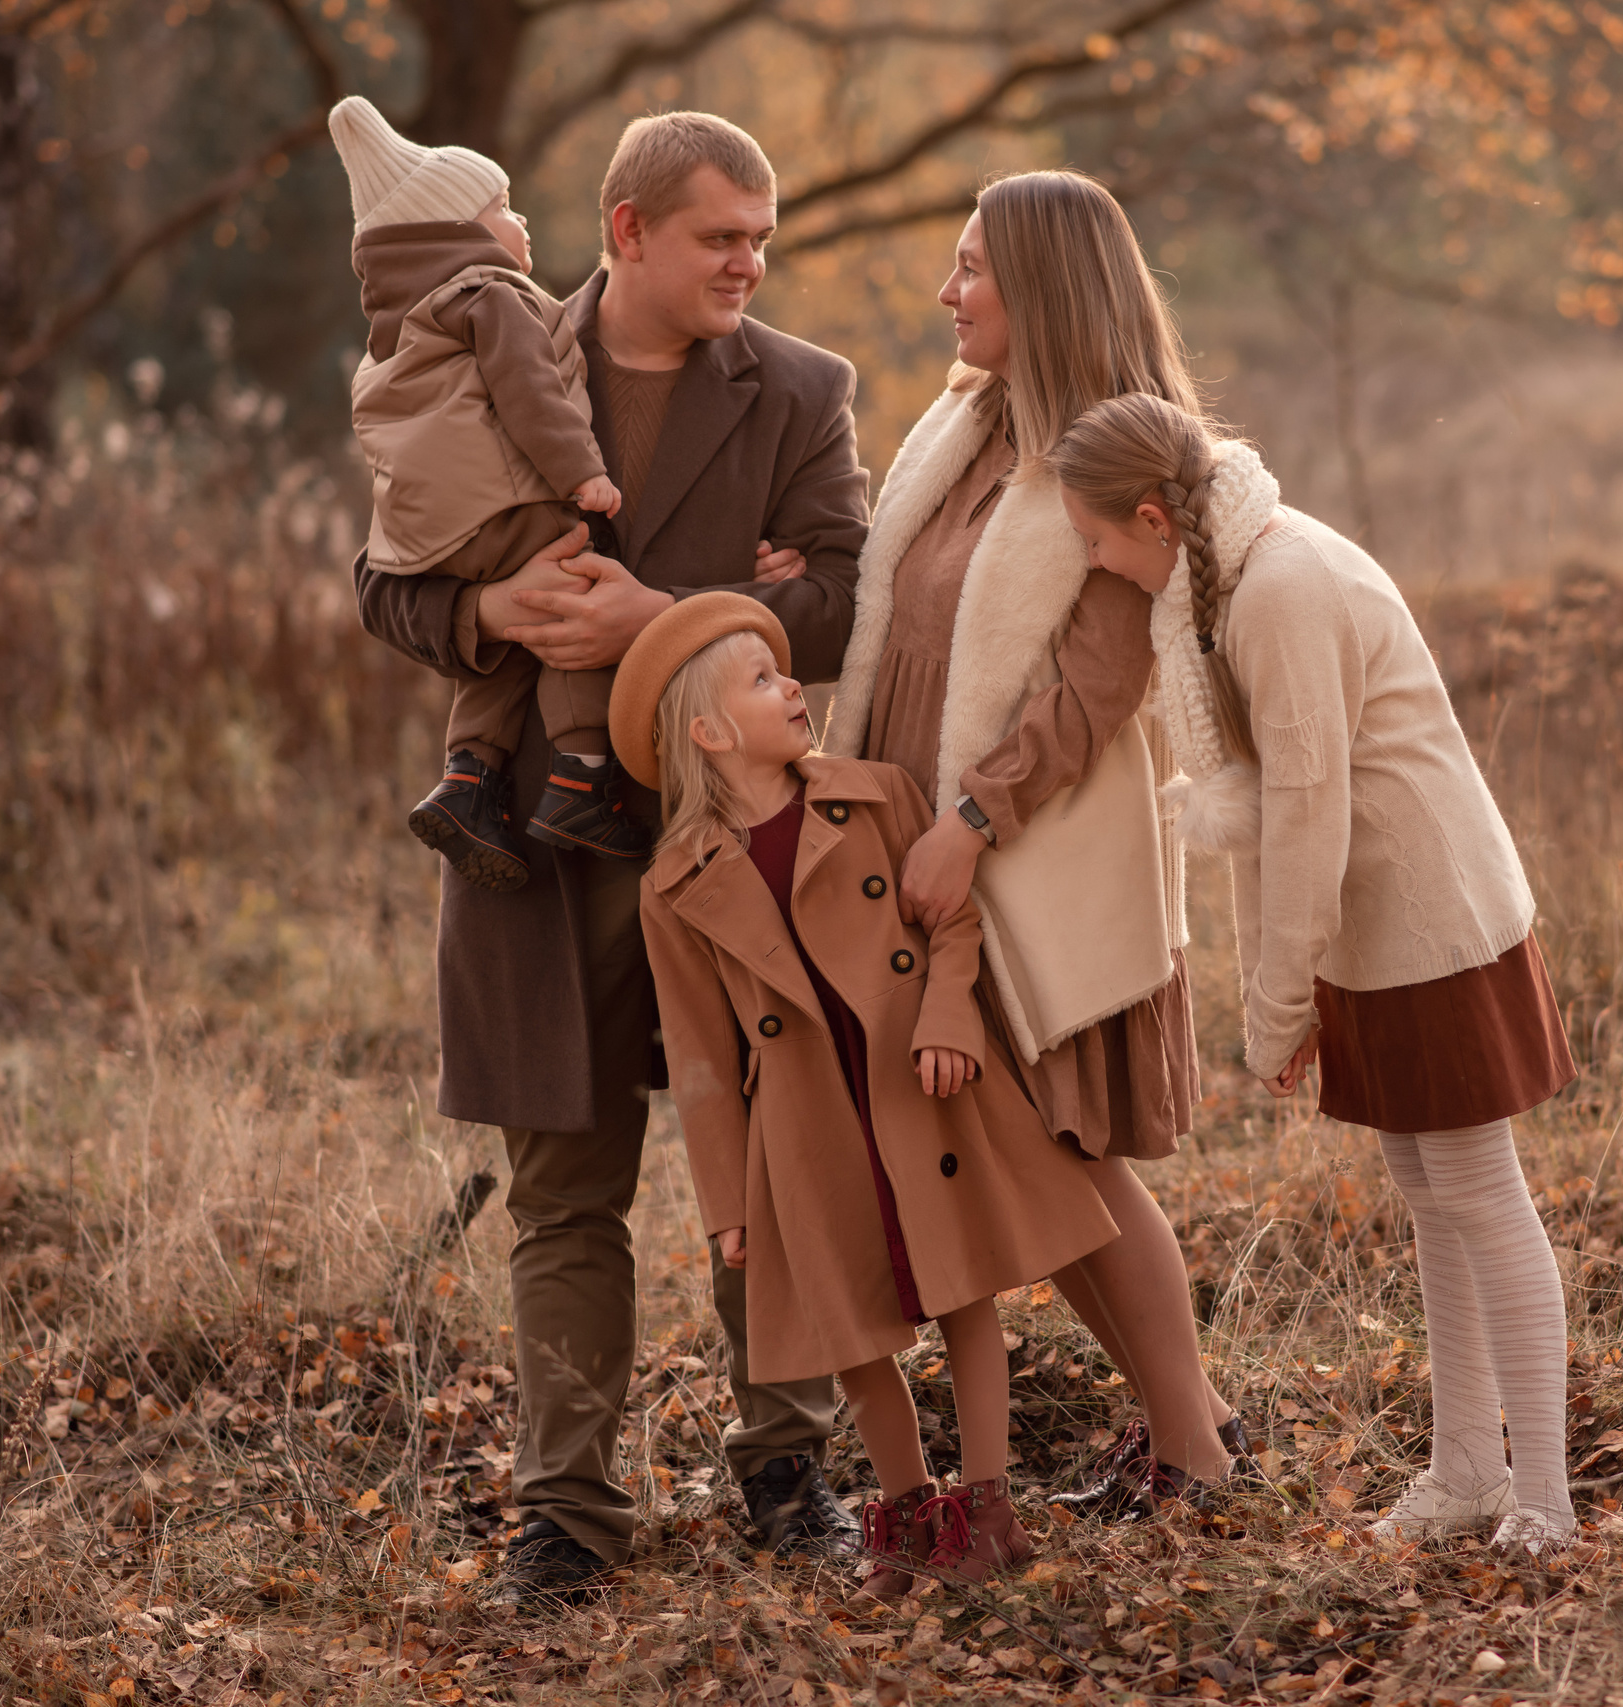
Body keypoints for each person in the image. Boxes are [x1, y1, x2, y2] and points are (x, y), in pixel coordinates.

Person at [351, 110, 871, 1607]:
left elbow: (842, 595)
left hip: (733, 850)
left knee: (768, 1162)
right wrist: (488, 618)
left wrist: (667, 614)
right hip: (529, 844)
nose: (751, 264)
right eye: (723, 237)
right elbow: (386, 582)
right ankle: (566, 1514)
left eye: (762, 239)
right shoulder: (479, 337)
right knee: (564, 1195)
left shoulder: (801, 390)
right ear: (628, 230)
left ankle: (788, 1472)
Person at [1048, 391, 1581, 1553]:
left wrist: (1277, 1004)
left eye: (1095, 542)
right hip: (1374, 931)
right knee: (1432, 1202)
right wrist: (1293, 990)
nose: (1096, 565)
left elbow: (1304, 812)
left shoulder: (1279, 589)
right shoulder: (1229, 582)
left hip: (1430, 924)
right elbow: (1265, 807)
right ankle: (1465, 1475)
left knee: (1481, 1198)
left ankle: (1542, 1495)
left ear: (1151, 518)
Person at [812, 170, 1242, 1508]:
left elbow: (1098, 681)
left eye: (971, 270)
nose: (948, 294)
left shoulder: (1120, 452)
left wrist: (972, 816)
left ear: (1043, 287)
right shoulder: (966, 426)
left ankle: (1203, 1455)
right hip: (921, 830)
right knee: (1032, 1168)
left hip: (1028, 847)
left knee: (1067, 1157)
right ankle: (1191, 1428)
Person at [622, 594, 1120, 1598]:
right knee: (850, 1332)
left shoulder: (872, 795)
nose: (791, 687)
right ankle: (906, 1518)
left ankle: (987, 1511)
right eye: (760, 681)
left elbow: (951, 918)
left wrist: (947, 1016)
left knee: (963, 1286)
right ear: (708, 733)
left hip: (914, 1081)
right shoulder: (675, 882)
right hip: (805, 1124)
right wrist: (725, 1205)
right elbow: (703, 1057)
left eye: (784, 669)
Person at [328, 95, 637, 880]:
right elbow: (529, 390)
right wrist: (585, 475)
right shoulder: (490, 294)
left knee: (501, 644)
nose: (520, 221)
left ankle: (467, 780)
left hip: (434, 536)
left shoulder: (401, 330)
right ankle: (582, 774)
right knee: (568, 596)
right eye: (502, 207)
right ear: (455, 231)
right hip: (509, 501)